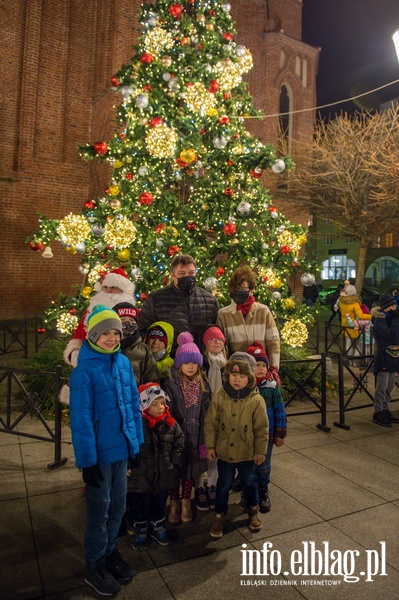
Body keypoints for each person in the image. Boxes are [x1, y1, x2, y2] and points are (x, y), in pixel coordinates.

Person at [69, 305, 143, 596]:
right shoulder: (84, 372)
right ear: (93, 336)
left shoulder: (122, 363)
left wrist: (135, 445)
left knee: (118, 507)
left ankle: (111, 552)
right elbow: (81, 421)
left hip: (121, 451)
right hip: (99, 456)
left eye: (116, 332)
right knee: (99, 511)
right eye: (106, 333)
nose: (112, 338)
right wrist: (87, 462)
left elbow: (132, 407)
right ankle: (95, 562)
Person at [204, 352, 268, 539]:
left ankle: (252, 510)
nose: (237, 380)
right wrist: (210, 446)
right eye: (233, 375)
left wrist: (260, 451)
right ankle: (219, 516)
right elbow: (211, 423)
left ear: (249, 378)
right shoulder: (219, 397)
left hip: (248, 452)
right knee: (223, 485)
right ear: (227, 376)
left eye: (241, 376)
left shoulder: (256, 400)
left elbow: (262, 428)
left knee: (249, 481)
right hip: (224, 452)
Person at [126, 383, 185, 549]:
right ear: (144, 406)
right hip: (141, 478)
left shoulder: (171, 424)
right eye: (154, 404)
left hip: (164, 475)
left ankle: (158, 525)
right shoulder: (137, 426)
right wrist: (129, 465)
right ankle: (140, 529)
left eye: (162, 403)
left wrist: (175, 463)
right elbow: (130, 447)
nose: (160, 407)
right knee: (140, 505)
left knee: (159, 504)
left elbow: (179, 444)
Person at [161, 331, 211, 523]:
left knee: (190, 472)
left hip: (196, 434)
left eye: (194, 363)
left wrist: (205, 440)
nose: (190, 366)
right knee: (175, 471)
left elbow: (206, 412)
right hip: (177, 434)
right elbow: (168, 409)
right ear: (179, 363)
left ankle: (185, 502)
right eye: (186, 362)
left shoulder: (203, 383)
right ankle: (173, 503)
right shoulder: (171, 383)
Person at [138, 254, 219, 356]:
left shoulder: (210, 300)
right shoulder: (156, 300)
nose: (187, 277)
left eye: (191, 273)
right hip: (169, 361)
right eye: (182, 273)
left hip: (202, 361)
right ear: (172, 275)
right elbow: (143, 331)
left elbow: (217, 332)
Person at [217, 265, 280, 380]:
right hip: (237, 376)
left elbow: (273, 341)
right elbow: (222, 347)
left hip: (261, 374)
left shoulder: (263, 311)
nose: (238, 292)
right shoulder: (223, 314)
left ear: (251, 290)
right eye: (235, 289)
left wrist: (273, 368)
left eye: (242, 289)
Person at [64, 267, 135, 367]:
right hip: (88, 361)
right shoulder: (90, 311)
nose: (108, 291)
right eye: (105, 287)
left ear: (123, 290)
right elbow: (79, 333)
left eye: (113, 287)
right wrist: (74, 352)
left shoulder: (132, 314)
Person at [246, 342, 286, 513]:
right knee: (248, 466)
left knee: (263, 465)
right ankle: (249, 493)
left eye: (264, 365)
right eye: (256, 365)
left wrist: (280, 433)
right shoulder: (244, 387)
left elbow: (280, 411)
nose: (261, 369)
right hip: (247, 436)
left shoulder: (272, 386)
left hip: (267, 436)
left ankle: (263, 491)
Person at [200, 324, 228, 509]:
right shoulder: (202, 363)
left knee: (217, 449)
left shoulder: (228, 364)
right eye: (212, 339)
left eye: (219, 339)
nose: (216, 342)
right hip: (204, 412)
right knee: (203, 448)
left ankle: (212, 483)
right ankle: (200, 485)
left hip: (223, 412)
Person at [370, 293, 399, 427]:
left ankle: (386, 409)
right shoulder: (379, 320)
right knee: (382, 387)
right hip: (384, 357)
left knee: (390, 386)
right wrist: (395, 322)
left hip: (394, 357)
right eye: (393, 305)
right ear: (387, 307)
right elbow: (389, 337)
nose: (395, 307)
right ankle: (378, 412)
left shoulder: (391, 319)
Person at [113, 302, 159, 386]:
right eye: (122, 320)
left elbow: (151, 379)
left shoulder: (144, 350)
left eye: (132, 320)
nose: (128, 323)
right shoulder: (107, 348)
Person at [339, 284, 371, 358]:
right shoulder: (355, 304)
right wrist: (371, 316)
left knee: (348, 342)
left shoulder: (341, 302)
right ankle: (356, 357)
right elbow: (360, 316)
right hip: (354, 324)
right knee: (357, 342)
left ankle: (348, 356)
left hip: (344, 322)